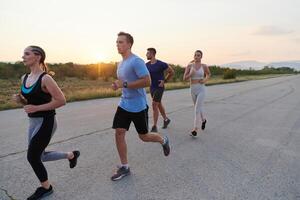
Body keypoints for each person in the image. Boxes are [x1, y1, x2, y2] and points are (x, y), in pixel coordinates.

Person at [13, 46, 80, 200]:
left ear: (38, 57)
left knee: (32, 157)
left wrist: (36, 108)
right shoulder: (24, 77)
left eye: (27, 54)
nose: (23, 56)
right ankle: (71, 155)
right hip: (33, 122)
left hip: (47, 121)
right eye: (23, 53)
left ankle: (46, 188)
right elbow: (29, 100)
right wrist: (21, 100)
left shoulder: (45, 78)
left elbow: (61, 100)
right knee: (40, 156)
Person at [111, 32, 170, 181]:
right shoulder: (120, 63)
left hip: (138, 106)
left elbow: (147, 81)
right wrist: (118, 85)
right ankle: (125, 167)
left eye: (121, 42)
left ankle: (163, 141)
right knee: (119, 132)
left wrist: (124, 84)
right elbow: (124, 82)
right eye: (117, 42)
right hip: (124, 103)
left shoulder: (136, 61)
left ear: (129, 44)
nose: (118, 45)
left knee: (143, 136)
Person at [146, 48, 174, 132]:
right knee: (158, 104)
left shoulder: (161, 64)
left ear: (152, 54)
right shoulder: (146, 65)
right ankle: (166, 119)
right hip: (152, 88)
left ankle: (154, 126)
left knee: (154, 104)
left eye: (147, 53)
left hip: (159, 87)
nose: (146, 55)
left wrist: (165, 81)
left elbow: (171, 72)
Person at [183, 50, 211, 137]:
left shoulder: (204, 66)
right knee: (198, 107)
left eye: (198, 55)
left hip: (201, 89)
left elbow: (209, 74)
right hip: (192, 89)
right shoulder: (189, 66)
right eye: (195, 55)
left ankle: (195, 129)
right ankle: (204, 120)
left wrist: (205, 80)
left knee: (196, 109)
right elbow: (184, 78)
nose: (196, 57)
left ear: (201, 57)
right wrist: (190, 74)